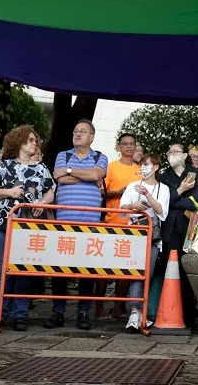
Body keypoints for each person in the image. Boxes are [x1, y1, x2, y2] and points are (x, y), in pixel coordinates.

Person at [0, 126, 54, 331]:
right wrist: (10, 192)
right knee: (1, 271)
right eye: (31, 139)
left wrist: (42, 203)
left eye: (36, 140)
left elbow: (50, 192)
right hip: (3, 223)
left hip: (29, 226)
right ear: (20, 141)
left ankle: (20, 315)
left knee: (25, 268)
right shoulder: (4, 166)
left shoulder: (42, 168)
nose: (35, 143)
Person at [47, 119, 109, 331]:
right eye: (75, 131)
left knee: (87, 271)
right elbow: (59, 178)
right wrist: (86, 176)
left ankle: (83, 313)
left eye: (83, 131)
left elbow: (96, 175)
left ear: (92, 137)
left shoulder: (100, 157)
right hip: (64, 223)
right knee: (59, 270)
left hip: (90, 224)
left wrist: (70, 172)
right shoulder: (62, 155)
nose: (78, 134)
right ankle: (58, 312)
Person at [156, 142, 198, 327]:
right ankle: (165, 312)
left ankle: (188, 316)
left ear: (184, 156)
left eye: (176, 152)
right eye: (170, 152)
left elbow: (196, 202)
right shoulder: (163, 175)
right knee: (167, 270)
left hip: (188, 228)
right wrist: (181, 191)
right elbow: (163, 201)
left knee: (187, 272)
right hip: (168, 229)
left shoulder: (194, 174)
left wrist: (175, 198)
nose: (171, 154)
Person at [120, 153, 170, 331]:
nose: (143, 168)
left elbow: (161, 211)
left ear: (156, 167)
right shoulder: (133, 186)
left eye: (147, 164)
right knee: (137, 272)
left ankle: (139, 311)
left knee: (147, 273)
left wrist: (148, 195)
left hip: (153, 236)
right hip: (135, 234)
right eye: (141, 164)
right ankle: (134, 311)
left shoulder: (163, 188)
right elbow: (122, 207)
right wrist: (134, 206)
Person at [99, 133, 140, 318]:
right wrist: (119, 193)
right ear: (119, 147)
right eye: (125, 144)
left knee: (125, 269)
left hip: (133, 225)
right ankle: (98, 307)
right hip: (112, 222)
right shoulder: (111, 167)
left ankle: (118, 307)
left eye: (132, 144)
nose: (129, 147)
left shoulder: (140, 170)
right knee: (104, 268)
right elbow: (102, 193)